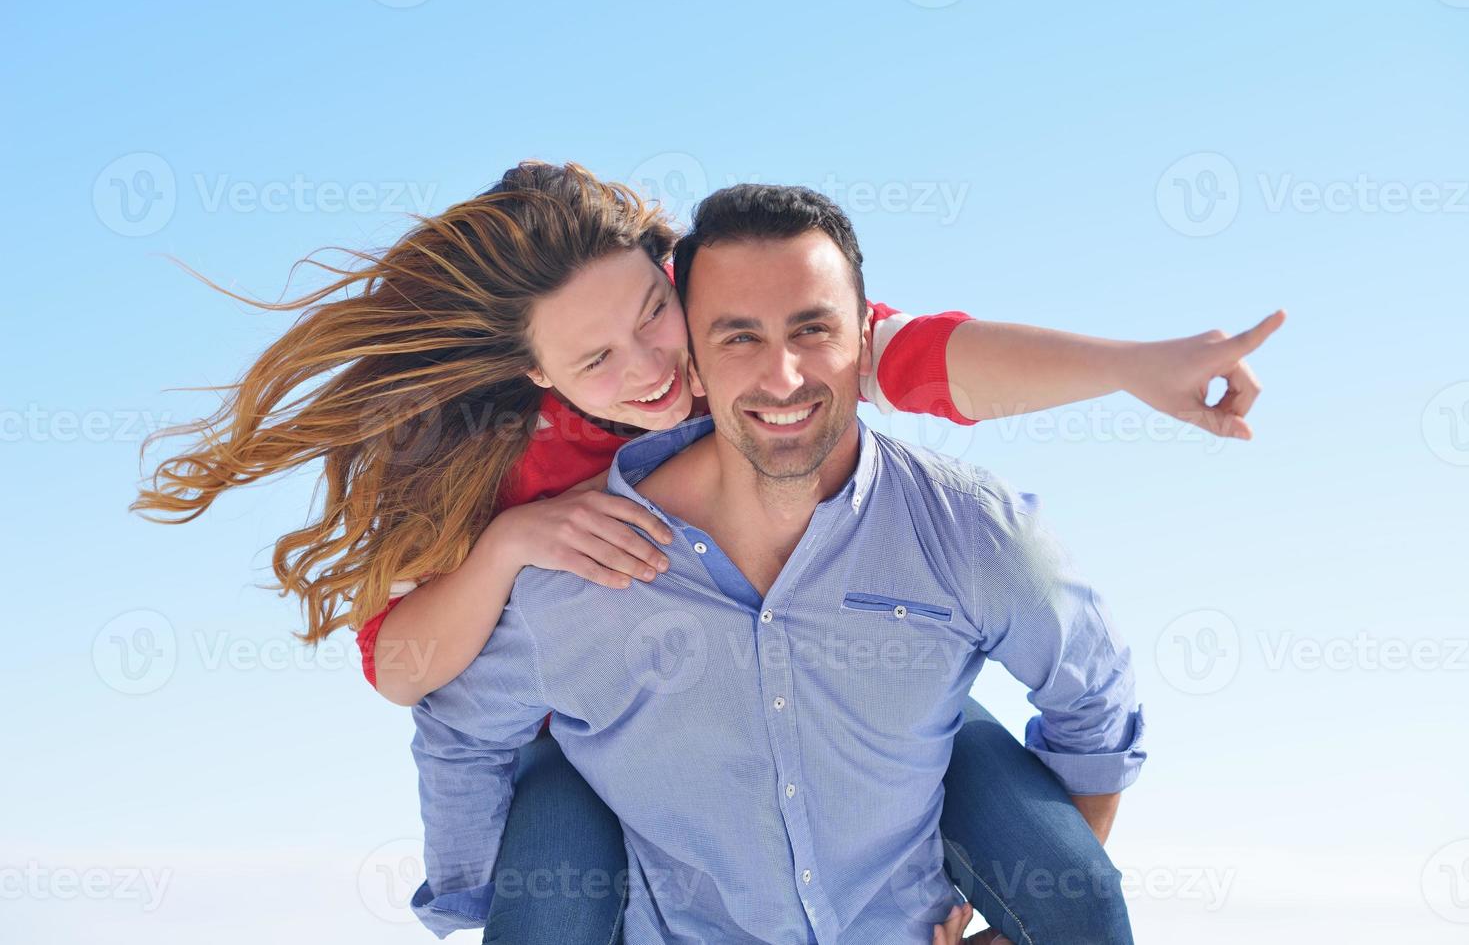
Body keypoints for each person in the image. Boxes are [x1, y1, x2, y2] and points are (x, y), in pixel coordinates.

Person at [133, 161, 1280, 943]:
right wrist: (504, 548)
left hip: (854, 694)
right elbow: (409, 677)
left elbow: (933, 358)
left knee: (1060, 874)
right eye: (595, 360)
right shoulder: (512, 464)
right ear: (539, 374)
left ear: (670, 271)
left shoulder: (753, 342)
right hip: (602, 732)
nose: (649, 365)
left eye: (650, 311)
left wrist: (1137, 365)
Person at [409, 183, 1148, 944]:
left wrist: (1039, 910)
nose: (784, 377)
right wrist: (472, 897)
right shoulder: (572, 562)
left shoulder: (964, 529)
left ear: (864, 335)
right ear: (696, 356)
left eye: (811, 331)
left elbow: (1094, 702)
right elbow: (453, 724)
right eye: (737, 339)